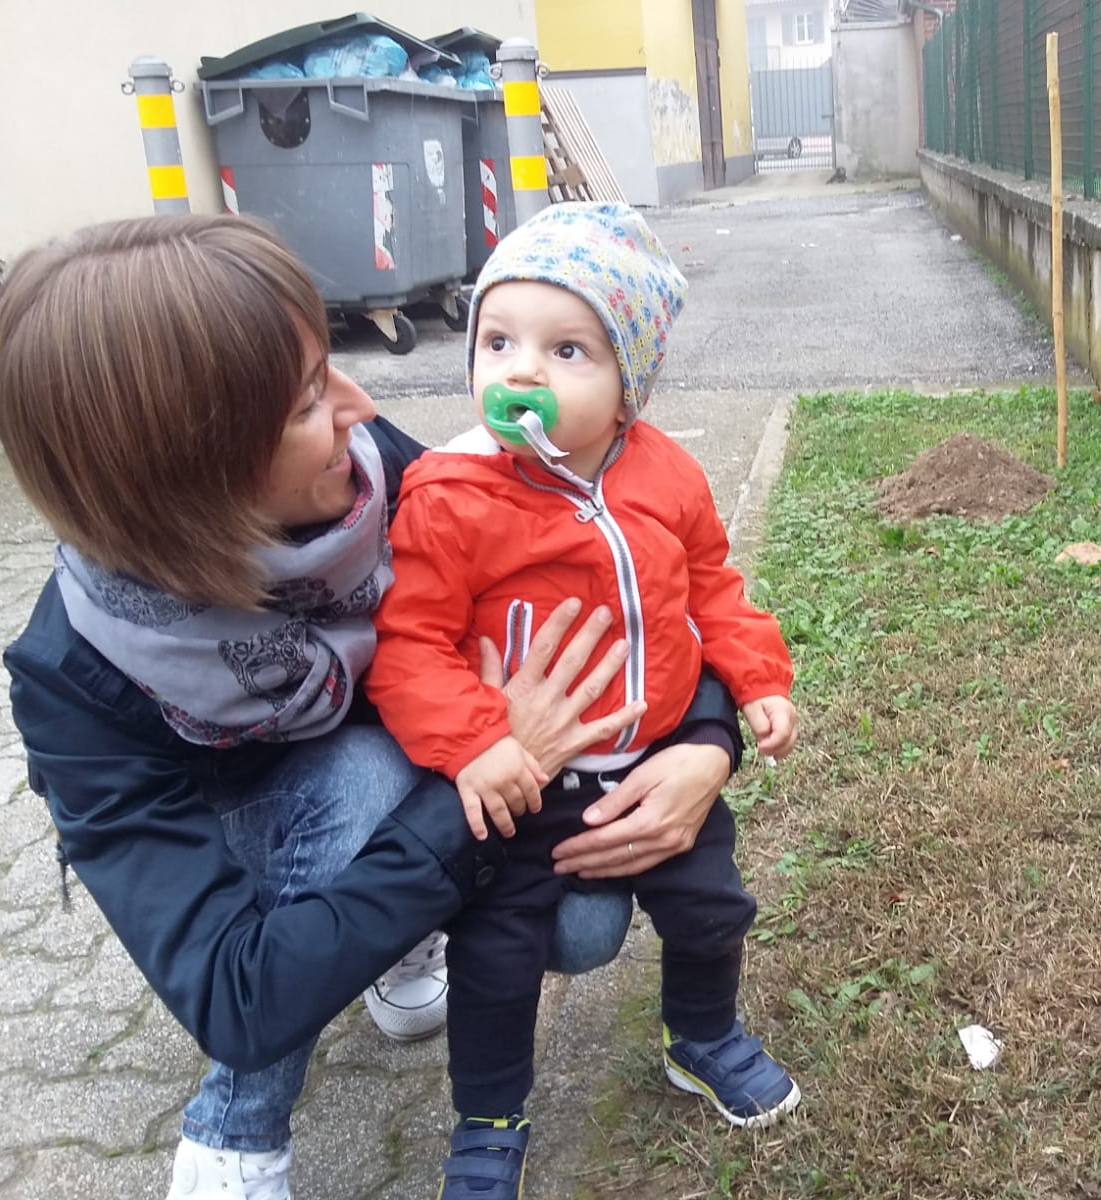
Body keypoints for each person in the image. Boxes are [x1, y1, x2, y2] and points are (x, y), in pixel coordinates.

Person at [0, 214, 744, 1200]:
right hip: (267, 833)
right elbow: (235, 996)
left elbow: (612, 586)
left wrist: (707, 739)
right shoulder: (74, 675)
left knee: (583, 926)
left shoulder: (375, 474)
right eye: (308, 402)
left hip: (430, 784)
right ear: (188, 482)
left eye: (328, 370)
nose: (361, 405)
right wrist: (498, 749)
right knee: (361, 780)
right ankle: (238, 1134)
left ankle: (386, 933)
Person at [365, 202, 802, 1196]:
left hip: (654, 758)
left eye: (567, 351)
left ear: (627, 389)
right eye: (498, 342)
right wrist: (478, 742)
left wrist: (757, 678)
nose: (521, 372)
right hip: (525, 784)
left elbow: (712, 586)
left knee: (711, 907)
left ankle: (701, 1035)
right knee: (496, 955)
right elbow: (409, 647)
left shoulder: (664, 471)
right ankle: (488, 1119)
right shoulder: (450, 498)